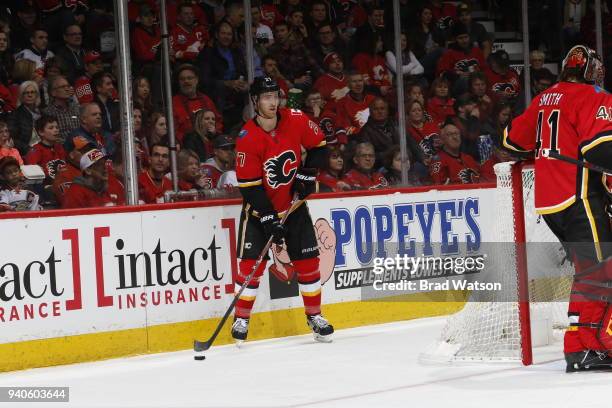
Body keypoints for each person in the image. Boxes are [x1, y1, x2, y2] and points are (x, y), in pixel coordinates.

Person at [503, 45, 612, 372]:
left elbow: (511, 141)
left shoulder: (545, 97)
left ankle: (579, 347)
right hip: (580, 198)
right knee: (601, 272)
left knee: (589, 271)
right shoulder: (594, 96)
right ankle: (592, 347)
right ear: (592, 70)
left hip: (550, 203)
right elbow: (601, 148)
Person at [232, 76, 333, 344]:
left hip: (294, 207)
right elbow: (250, 186)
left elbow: (320, 147)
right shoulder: (247, 137)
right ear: (255, 101)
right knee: (250, 267)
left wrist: (308, 174)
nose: (272, 102)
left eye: (275, 96)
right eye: (266, 97)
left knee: (309, 264)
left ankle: (314, 316)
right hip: (258, 211)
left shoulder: (296, 119)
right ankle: (241, 318)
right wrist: (267, 217)